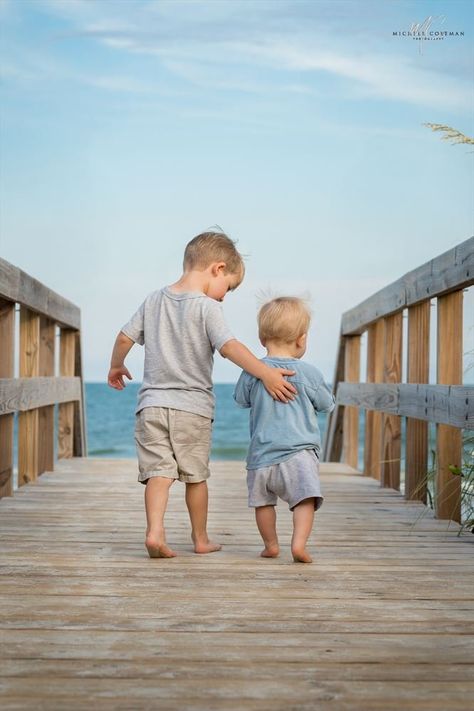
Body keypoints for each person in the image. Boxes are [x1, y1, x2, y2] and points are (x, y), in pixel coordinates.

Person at [107, 231, 297, 559]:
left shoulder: (153, 299)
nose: (225, 297)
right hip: (192, 409)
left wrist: (115, 366)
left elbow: (124, 337)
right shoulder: (207, 308)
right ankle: (200, 538)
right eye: (229, 288)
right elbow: (229, 347)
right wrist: (264, 371)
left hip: (151, 406)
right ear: (217, 269)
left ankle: (155, 532)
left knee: (158, 473)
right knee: (196, 478)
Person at [233, 296, 335, 563]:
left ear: (261, 337)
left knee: (263, 502)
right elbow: (327, 404)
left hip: (261, 457)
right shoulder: (309, 373)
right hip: (298, 455)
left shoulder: (253, 371)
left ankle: (271, 545)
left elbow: (241, 400)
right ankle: (299, 545)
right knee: (304, 500)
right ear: (302, 339)